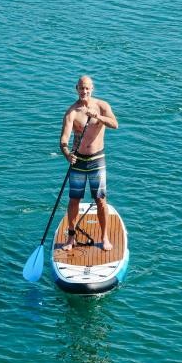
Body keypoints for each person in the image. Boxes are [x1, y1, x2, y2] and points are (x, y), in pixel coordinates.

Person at [60, 75, 118, 251]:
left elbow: (115, 124)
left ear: (92, 89)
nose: (84, 91)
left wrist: (98, 118)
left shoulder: (102, 106)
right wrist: (67, 153)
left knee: (100, 199)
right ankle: (71, 237)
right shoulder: (72, 112)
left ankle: (105, 237)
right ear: (76, 88)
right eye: (81, 88)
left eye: (87, 88)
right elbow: (63, 139)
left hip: (96, 160)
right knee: (74, 200)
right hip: (78, 160)